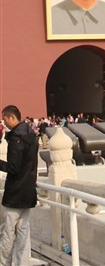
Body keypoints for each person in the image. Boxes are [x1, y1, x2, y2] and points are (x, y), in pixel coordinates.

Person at [0, 105, 39, 266]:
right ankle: (20, 263)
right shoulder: (31, 134)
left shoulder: (16, 139)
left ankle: (4, 263)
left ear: (11, 118)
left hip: (15, 192)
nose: (4, 123)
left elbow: (13, 168)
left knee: (8, 231)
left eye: (5, 119)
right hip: (28, 190)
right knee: (23, 230)